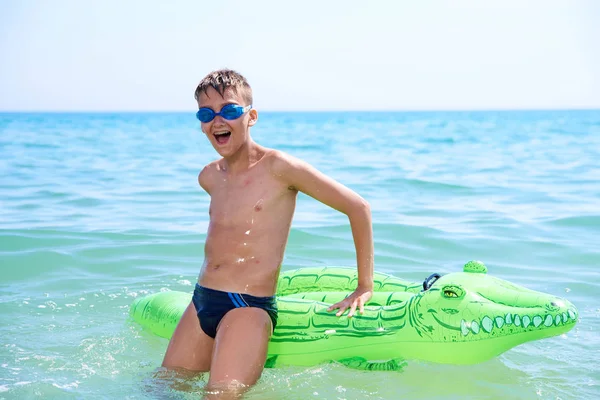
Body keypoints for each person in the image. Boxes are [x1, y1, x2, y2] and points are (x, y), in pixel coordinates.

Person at [161, 69, 374, 398]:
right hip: (201, 300)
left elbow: (357, 207)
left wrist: (364, 286)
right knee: (159, 388)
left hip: (248, 305)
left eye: (230, 110)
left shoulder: (279, 168)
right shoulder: (209, 177)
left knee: (219, 394)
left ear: (251, 116)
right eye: (207, 113)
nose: (218, 120)